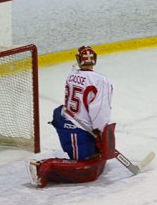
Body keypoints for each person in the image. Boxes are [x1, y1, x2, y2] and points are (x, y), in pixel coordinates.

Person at [27, 45, 115, 187]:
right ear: (95, 60)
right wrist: (100, 132)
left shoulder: (72, 75)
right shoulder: (101, 81)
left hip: (67, 122)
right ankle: (42, 167)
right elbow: (100, 110)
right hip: (77, 130)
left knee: (96, 157)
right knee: (86, 169)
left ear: (78, 60)